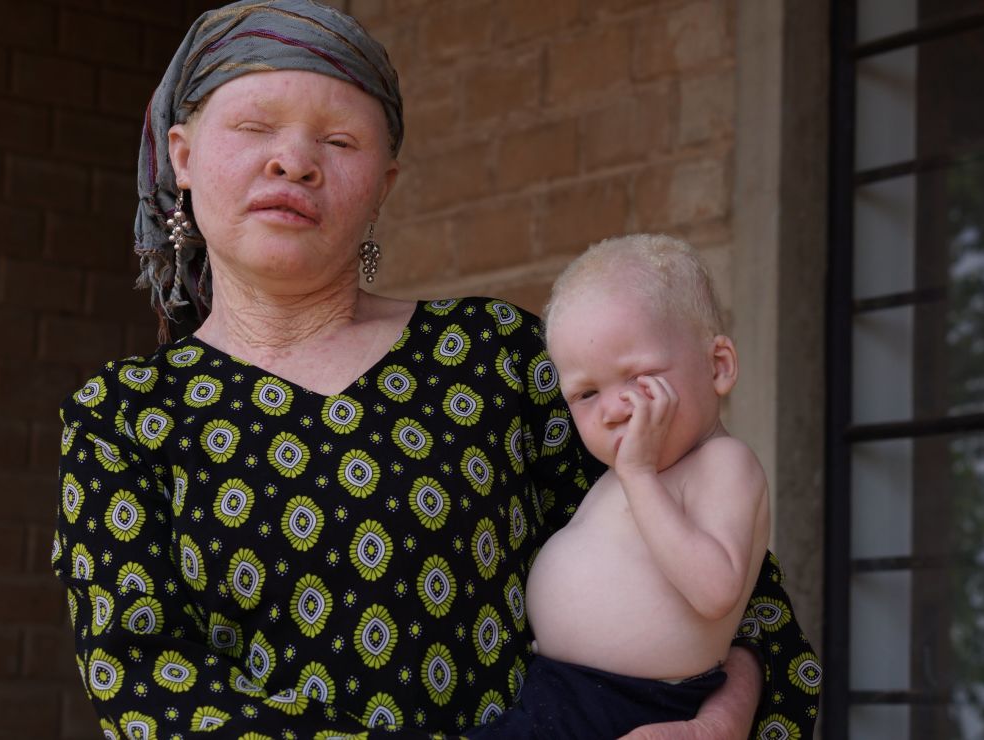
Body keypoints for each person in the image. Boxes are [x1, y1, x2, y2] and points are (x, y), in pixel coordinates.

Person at [50, 1, 820, 738]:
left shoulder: (497, 355)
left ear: (384, 183)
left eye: (341, 143)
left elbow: (736, 592)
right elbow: (146, 684)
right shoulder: (122, 418)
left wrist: (723, 716)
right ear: (182, 156)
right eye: (254, 127)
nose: (294, 161)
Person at [469, 235, 784, 739]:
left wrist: (637, 477)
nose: (614, 410)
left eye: (638, 376)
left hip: (635, 708)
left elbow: (715, 590)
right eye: (586, 393)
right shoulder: (622, 474)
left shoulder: (723, 464)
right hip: (557, 695)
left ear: (718, 366)